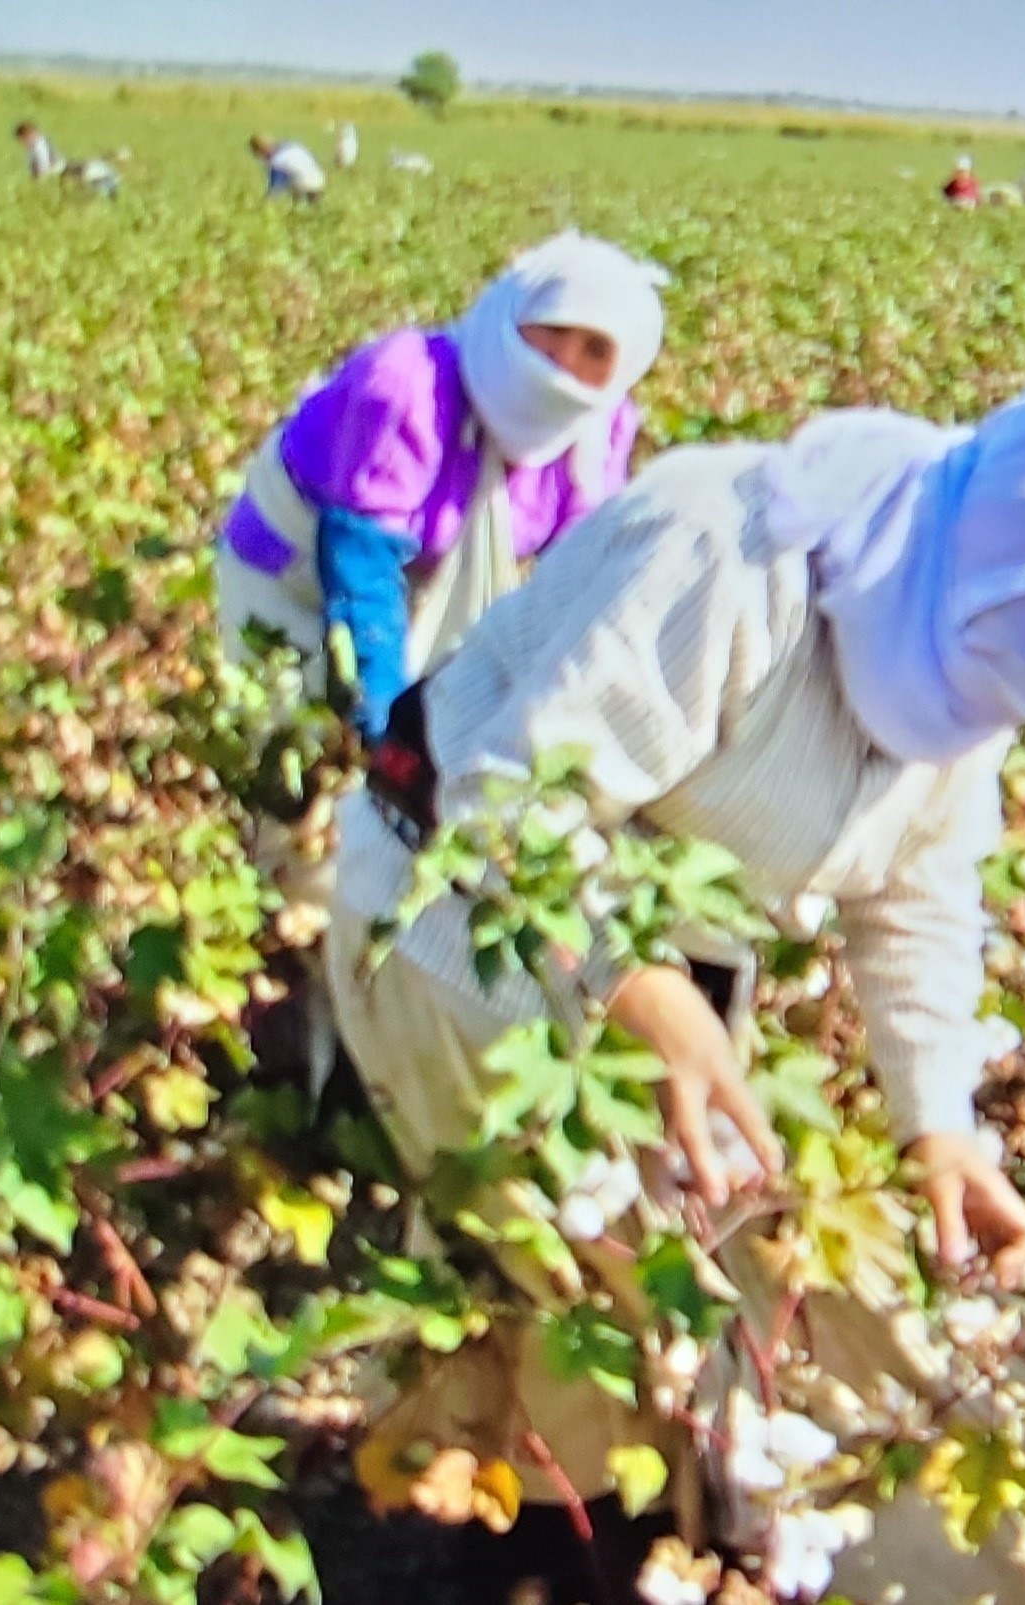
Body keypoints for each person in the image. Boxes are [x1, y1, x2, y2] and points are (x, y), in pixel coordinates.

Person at [327, 359, 1025, 1605]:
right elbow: (507, 810)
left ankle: (625, 1522)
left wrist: (940, 1126)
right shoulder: (728, 554)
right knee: (572, 1265)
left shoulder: (961, 626)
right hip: (451, 935)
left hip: (662, 974)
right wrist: (647, 997)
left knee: (661, 1276)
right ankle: (537, 1547)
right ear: (993, 548)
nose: (983, 714)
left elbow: (918, 896)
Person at [213, 231, 669, 1094]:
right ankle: (295, 918)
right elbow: (358, 571)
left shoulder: (596, 429)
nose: (564, 363)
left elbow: (576, 577)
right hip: (294, 574)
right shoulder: (409, 384)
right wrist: (386, 728)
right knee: (295, 743)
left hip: (428, 572)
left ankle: (367, 917)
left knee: (442, 735)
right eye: (551, 332)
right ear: (512, 315)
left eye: (594, 352)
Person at [252, 135, 328, 204]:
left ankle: (297, 205)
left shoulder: (277, 161)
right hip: (320, 179)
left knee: (289, 181)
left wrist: (264, 202)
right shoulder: (292, 145)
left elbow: (275, 186)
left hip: (304, 184)